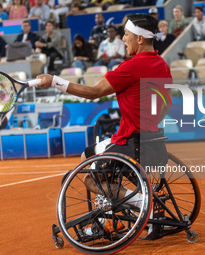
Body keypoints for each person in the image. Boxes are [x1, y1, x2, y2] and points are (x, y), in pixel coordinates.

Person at [35, 14, 172, 210]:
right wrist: (147, 125)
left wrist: (54, 81)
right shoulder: (162, 65)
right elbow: (166, 103)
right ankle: (111, 204)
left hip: (131, 143)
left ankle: (142, 203)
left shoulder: (131, 67)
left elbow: (93, 92)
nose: (124, 39)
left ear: (139, 39)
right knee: (87, 155)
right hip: (153, 144)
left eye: (126, 34)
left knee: (90, 179)